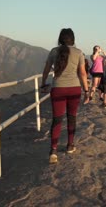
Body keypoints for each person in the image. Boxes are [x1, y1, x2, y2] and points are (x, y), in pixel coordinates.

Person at [41, 28, 90, 164]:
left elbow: (45, 70)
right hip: (74, 89)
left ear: (60, 38)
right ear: (73, 39)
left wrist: (43, 84)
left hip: (58, 89)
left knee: (57, 120)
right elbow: (82, 74)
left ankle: (53, 151)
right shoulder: (79, 52)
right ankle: (70, 146)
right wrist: (86, 91)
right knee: (71, 117)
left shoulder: (54, 51)